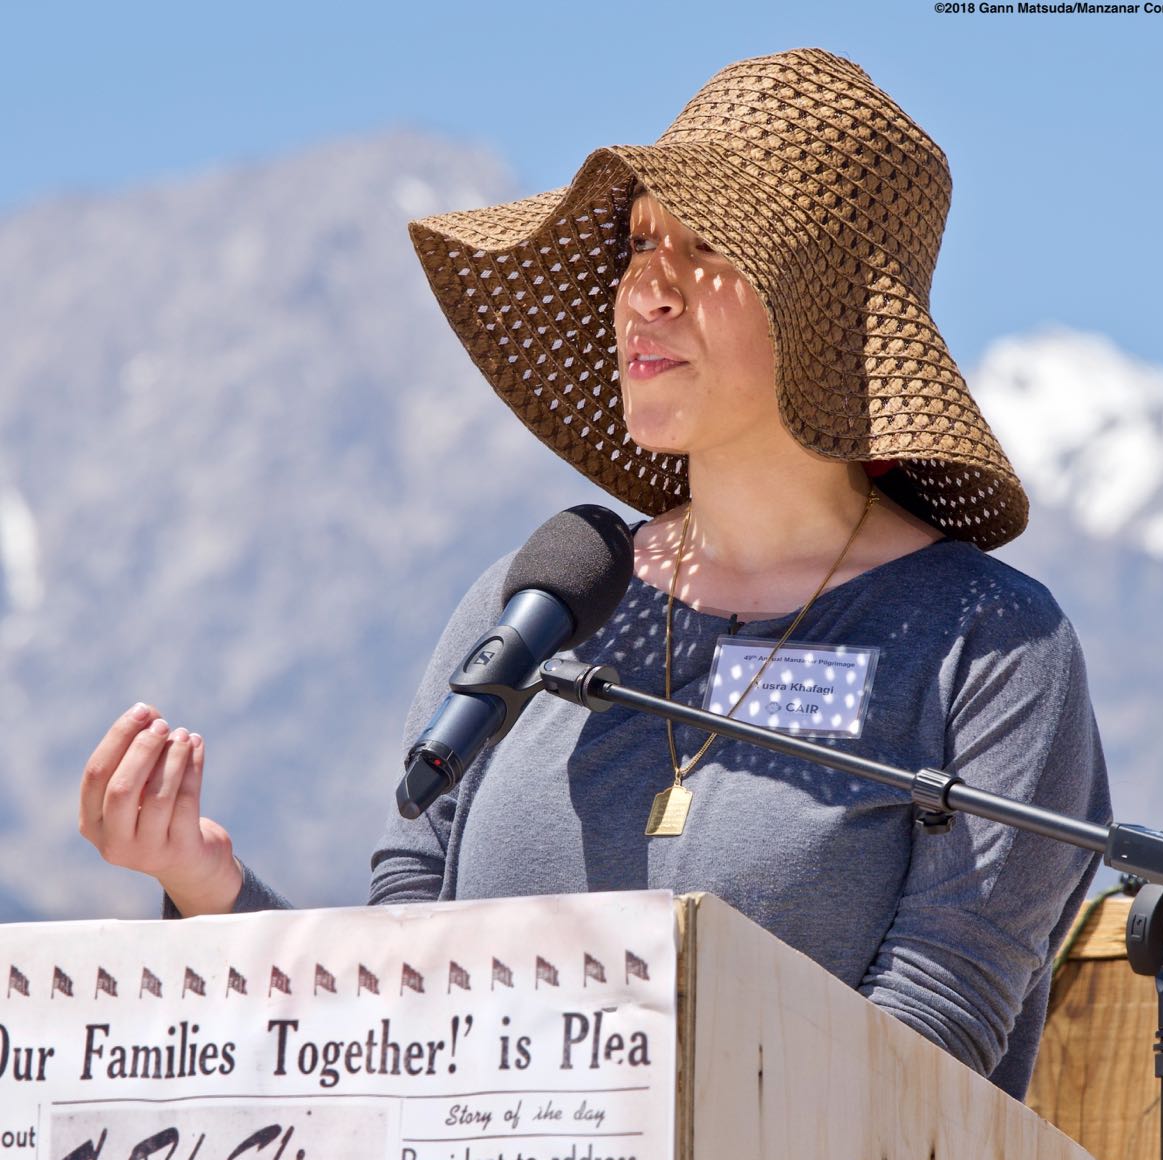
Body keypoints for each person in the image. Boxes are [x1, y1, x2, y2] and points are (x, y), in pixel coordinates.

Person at [79, 48, 1108, 1101]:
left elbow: (932, 1039)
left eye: (706, 245)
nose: (645, 289)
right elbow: (396, 1022)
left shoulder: (992, 645)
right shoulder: (536, 602)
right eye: (641, 241)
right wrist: (208, 889)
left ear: (827, 312)